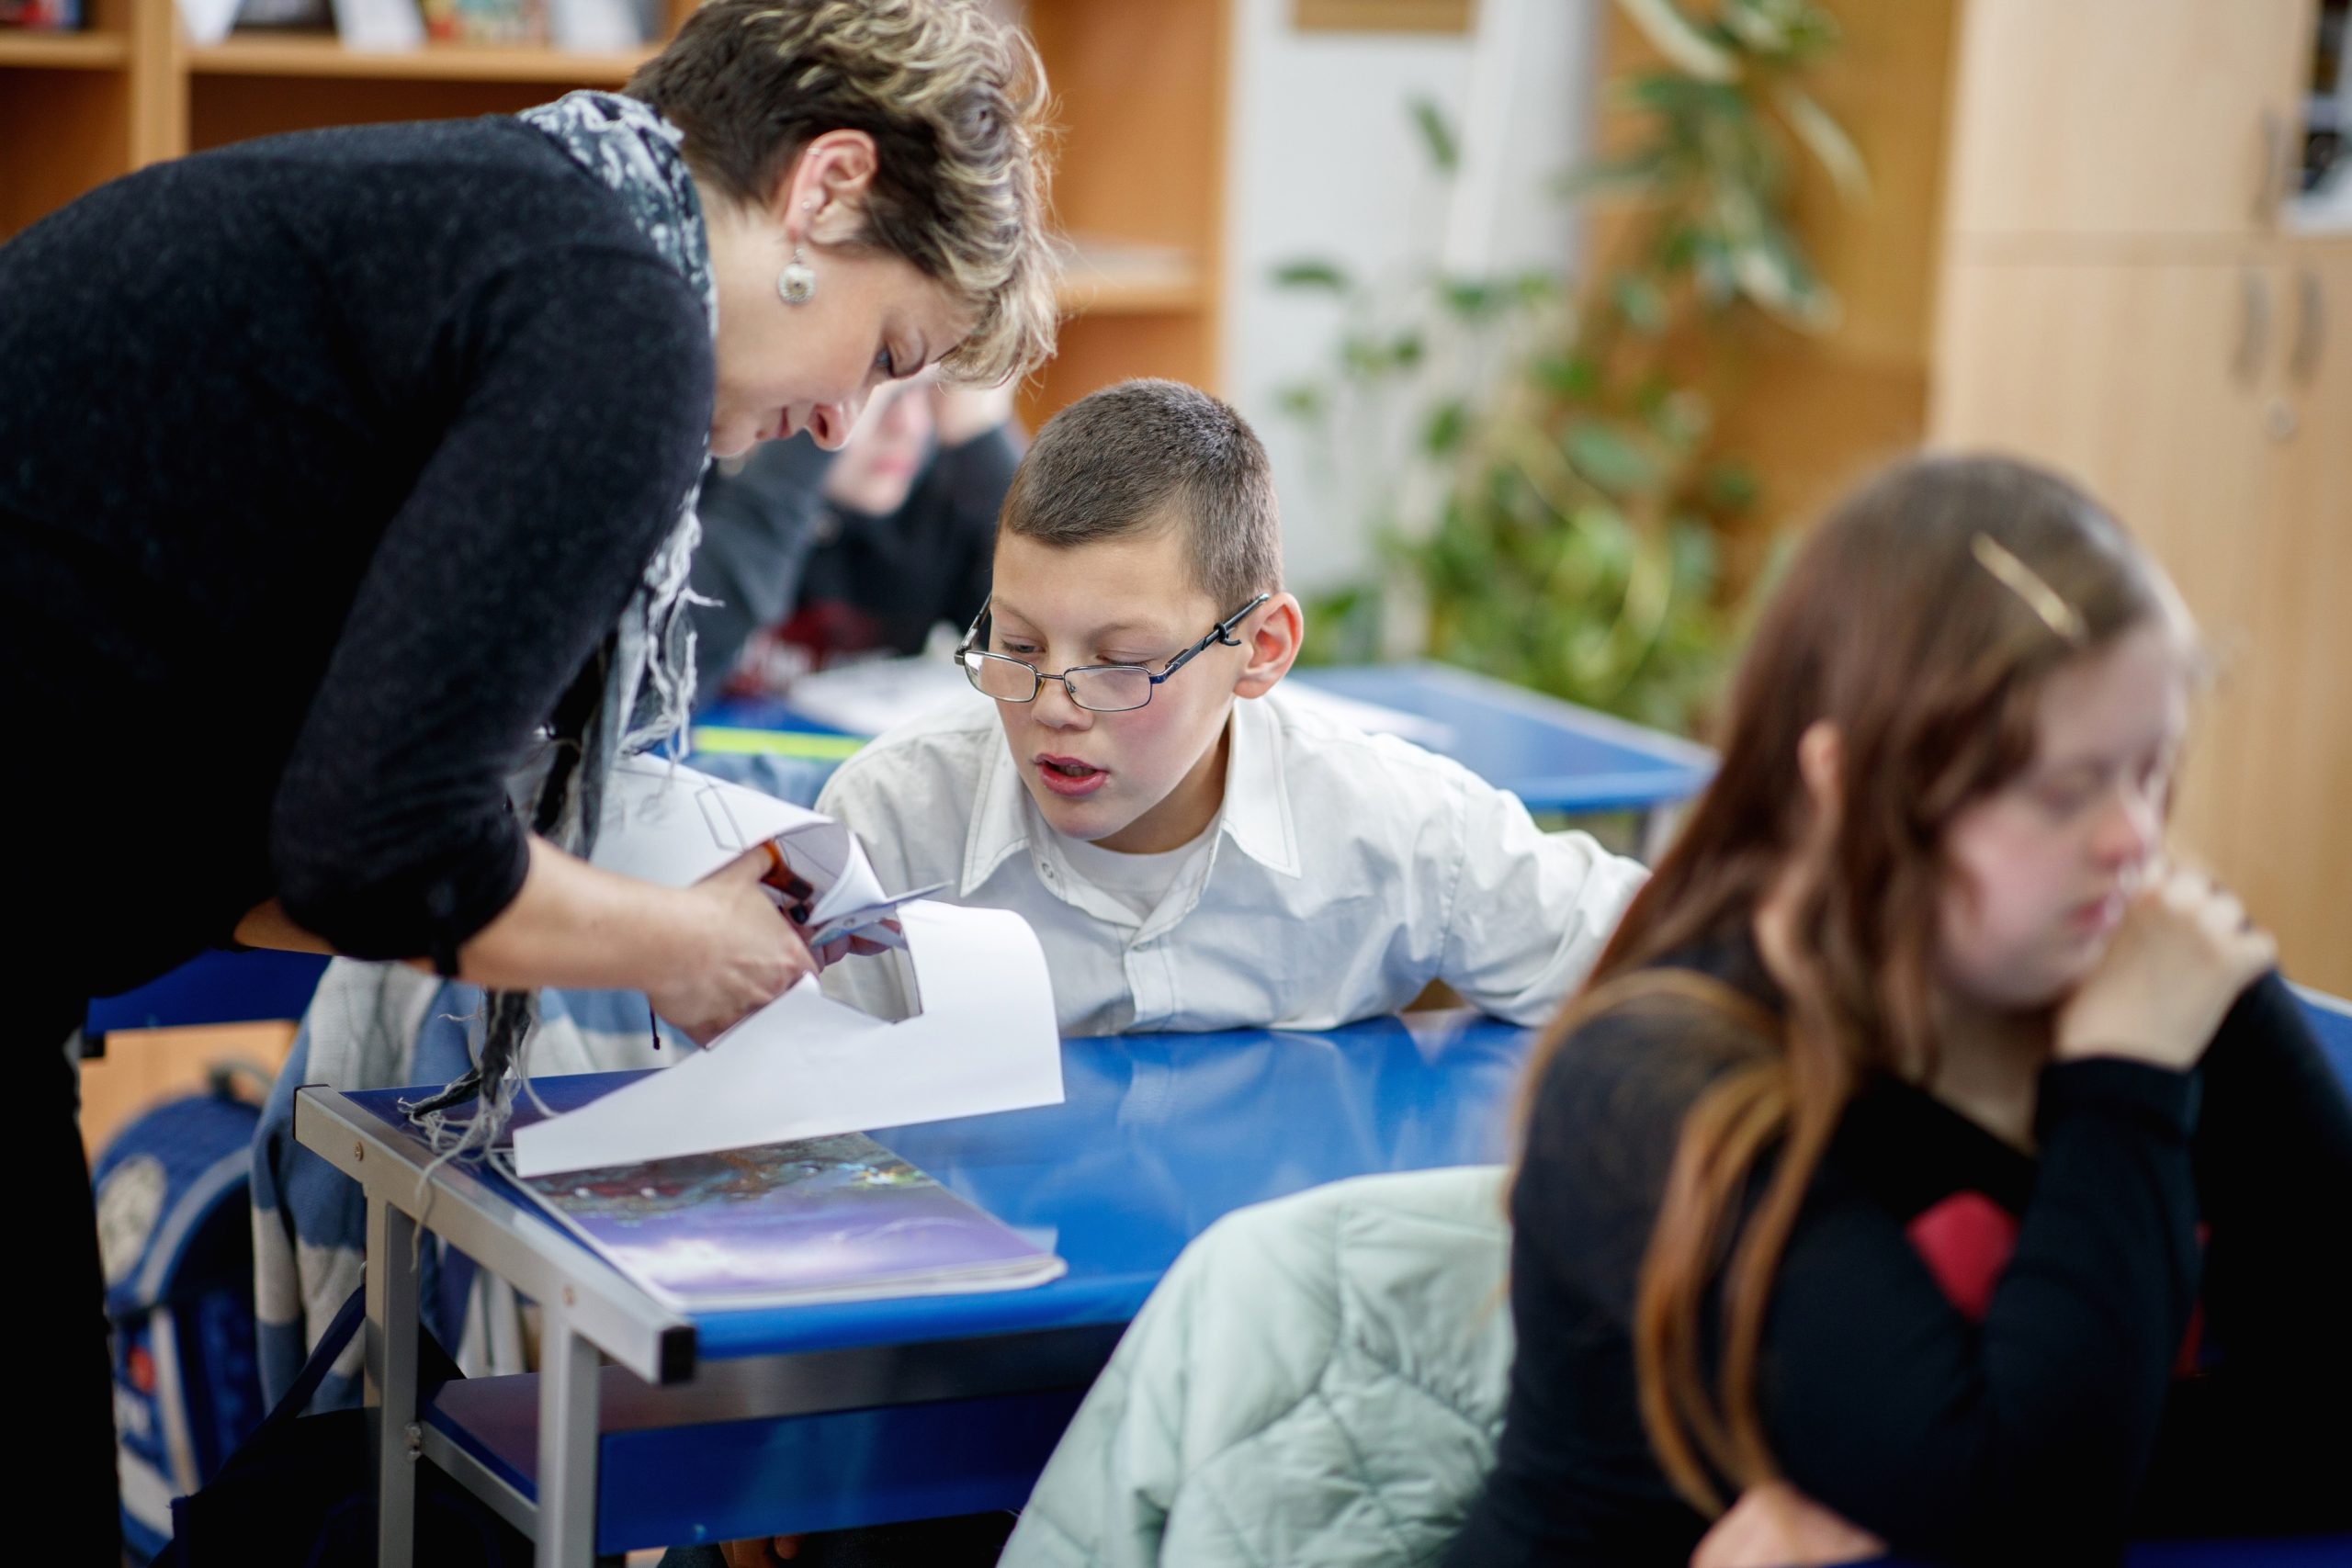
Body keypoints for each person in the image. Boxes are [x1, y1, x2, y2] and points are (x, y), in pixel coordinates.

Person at [0, 0, 1055, 1548]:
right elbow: (383, 843)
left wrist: (566, 907)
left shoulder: (517, 218)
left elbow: (267, 818)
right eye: (886, 351)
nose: (844, 419)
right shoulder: (614, 313)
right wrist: (678, 945)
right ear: (828, 186)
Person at [1447, 456, 2352, 1566]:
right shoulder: (1654, 1081)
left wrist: (1943, 1491)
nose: (2134, 842)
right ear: (1848, 785)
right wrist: (2122, 1084)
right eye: (2065, 790)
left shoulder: (2155, 971)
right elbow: (2022, 1509)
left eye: (2152, 771)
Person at [815, 378, 1648, 1038]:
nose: (1055, 707)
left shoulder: (1398, 828)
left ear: (1262, 648)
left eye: (1122, 661)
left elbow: (1668, 951)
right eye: (1019, 647)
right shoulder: (887, 828)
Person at [691, 375, 1023, 705]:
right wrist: (808, 441)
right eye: (878, 393)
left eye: (928, 393)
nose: (908, 426)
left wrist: (981, 439)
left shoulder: (941, 507)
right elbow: (684, 649)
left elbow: (1031, 650)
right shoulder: (703, 488)